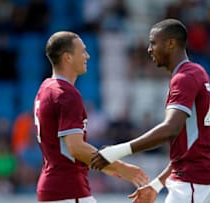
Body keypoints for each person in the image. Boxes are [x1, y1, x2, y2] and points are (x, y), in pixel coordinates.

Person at [90, 19, 210, 203]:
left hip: (194, 181)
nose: (149, 49)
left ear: (170, 43)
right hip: (199, 178)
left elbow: (170, 129)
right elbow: (186, 148)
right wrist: (156, 185)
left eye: (153, 42)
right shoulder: (196, 72)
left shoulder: (184, 78)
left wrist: (117, 151)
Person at [34, 31, 148, 203]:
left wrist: (103, 166)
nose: (87, 56)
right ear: (68, 58)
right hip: (69, 190)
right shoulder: (66, 94)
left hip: (53, 187)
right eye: (82, 51)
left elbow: (64, 148)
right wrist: (120, 167)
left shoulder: (46, 88)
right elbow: (75, 147)